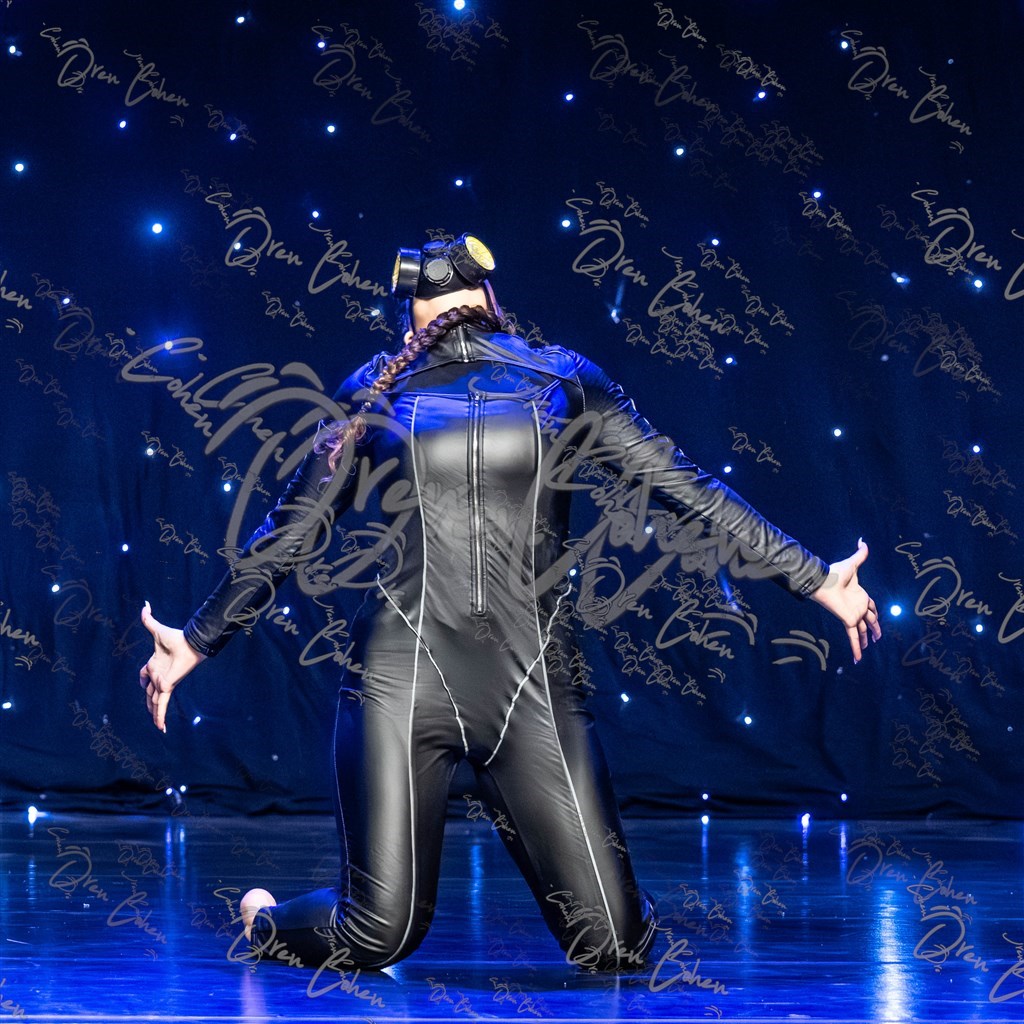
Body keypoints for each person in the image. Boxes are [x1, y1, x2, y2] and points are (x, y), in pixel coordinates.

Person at [139, 233, 881, 973]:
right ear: (490, 296)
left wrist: (814, 576)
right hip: (402, 683)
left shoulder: (563, 380)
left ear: (411, 308)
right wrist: (198, 638)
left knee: (614, 945)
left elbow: (679, 486)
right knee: (378, 934)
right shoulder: (374, 391)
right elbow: (297, 526)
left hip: (534, 687)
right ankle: (267, 923)